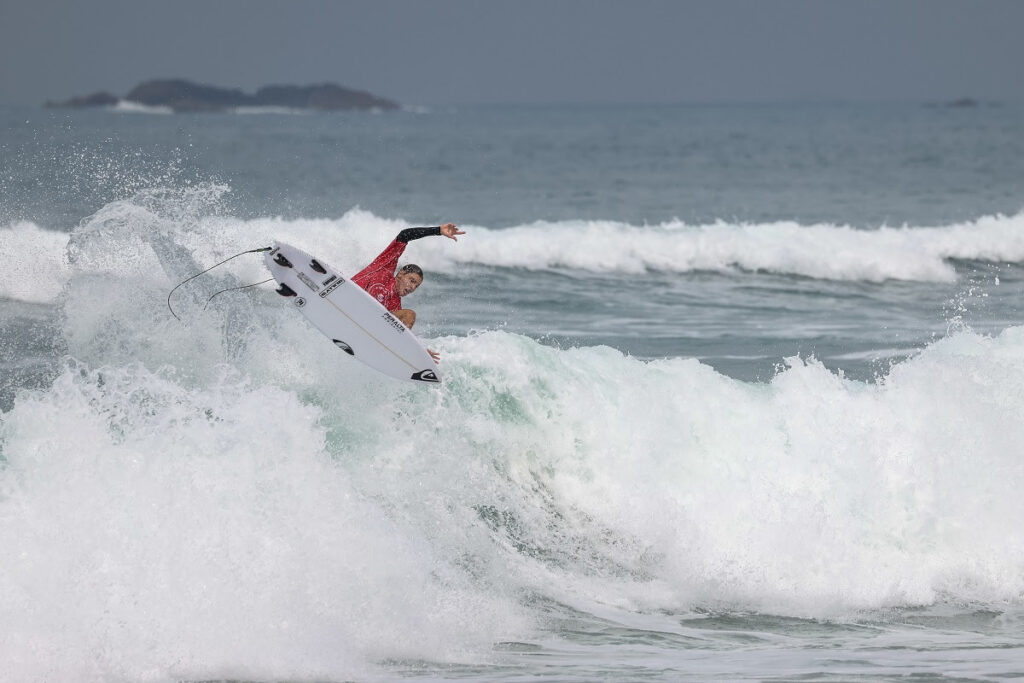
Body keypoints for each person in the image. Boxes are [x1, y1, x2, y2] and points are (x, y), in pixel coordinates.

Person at [353, 222, 464, 361]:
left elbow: (399, 331)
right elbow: (405, 235)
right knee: (408, 314)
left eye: (416, 286)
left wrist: (417, 350)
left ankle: (407, 351)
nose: (412, 288)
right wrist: (438, 230)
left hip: (364, 321)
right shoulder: (384, 268)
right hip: (348, 295)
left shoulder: (395, 307)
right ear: (400, 274)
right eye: (411, 281)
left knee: (408, 315)